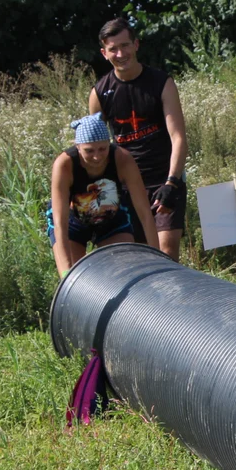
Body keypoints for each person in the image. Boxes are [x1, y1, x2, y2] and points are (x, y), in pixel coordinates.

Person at [88, 18, 188, 262]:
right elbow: (93, 150)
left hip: (164, 177)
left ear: (136, 45)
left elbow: (179, 137)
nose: (120, 54)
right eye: (113, 49)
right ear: (104, 53)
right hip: (126, 184)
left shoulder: (161, 82)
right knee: (140, 256)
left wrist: (172, 182)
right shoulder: (99, 92)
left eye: (125, 46)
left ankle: (172, 299)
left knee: (166, 251)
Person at [48, 113, 159, 277]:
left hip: (111, 219)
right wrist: (66, 275)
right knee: (77, 278)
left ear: (110, 143)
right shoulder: (64, 164)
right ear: (77, 147)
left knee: (124, 273)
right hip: (72, 222)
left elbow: (144, 213)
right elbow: (60, 222)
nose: (97, 156)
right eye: (89, 150)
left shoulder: (122, 159)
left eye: (102, 149)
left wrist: (157, 259)